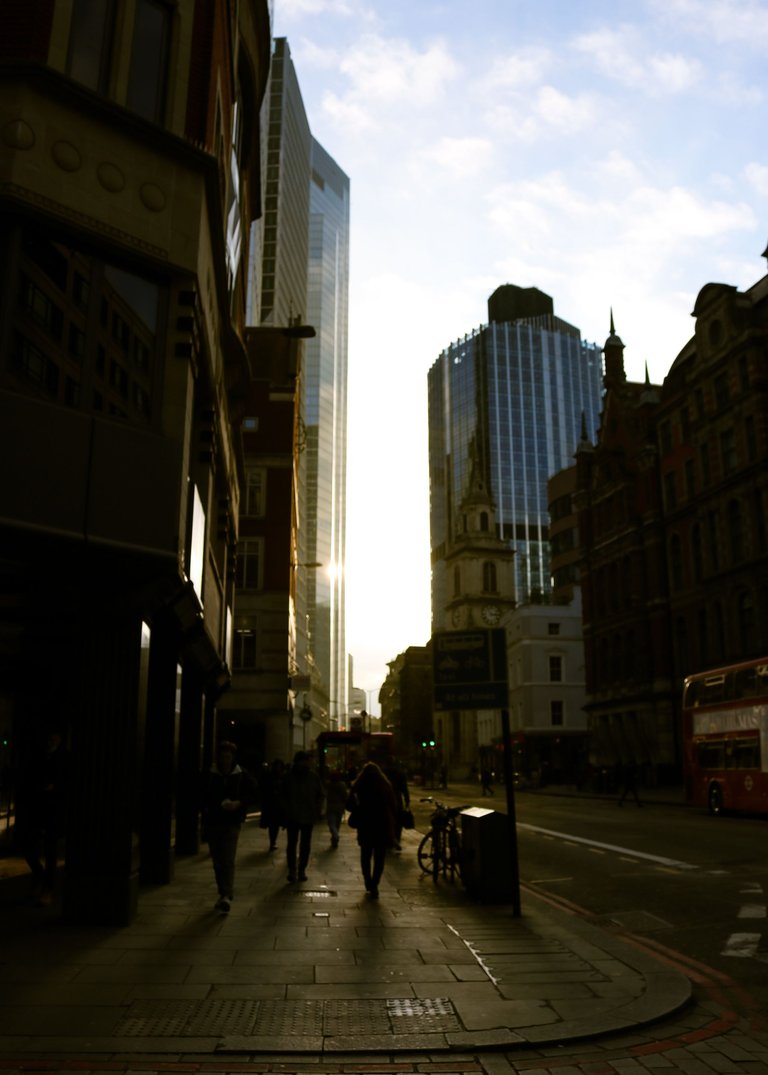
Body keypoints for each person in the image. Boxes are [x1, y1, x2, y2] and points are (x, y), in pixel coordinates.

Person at [16, 728, 69, 905]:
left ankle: (46, 885)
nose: (50, 740)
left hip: (51, 809)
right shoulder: (39, 757)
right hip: (39, 807)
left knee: (49, 849)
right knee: (33, 845)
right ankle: (43, 881)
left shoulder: (60, 759)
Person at [200, 741, 255, 912]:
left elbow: (253, 792)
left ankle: (226, 895)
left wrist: (239, 803)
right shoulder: (209, 775)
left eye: (228, 757)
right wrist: (210, 807)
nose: (225, 760)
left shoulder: (241, 775)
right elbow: (200, 795)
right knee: (218, 861)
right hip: (213, 822)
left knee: (228, 859)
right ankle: (223, 892)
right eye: (223, 756)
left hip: (232, 822)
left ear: (232, 758)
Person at [348, 762, 398, 899]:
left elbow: (350, 804)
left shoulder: (359, 785)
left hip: (365, 824)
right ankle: (375, 883)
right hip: (382, 824)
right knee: (379, 857)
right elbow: (393, 806)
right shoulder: (385, 785)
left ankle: (367, 881)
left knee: (365, 855)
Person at [280, 751, 325, 882]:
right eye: (307, 760)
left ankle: (301, 870)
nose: (309, 762)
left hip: (308, 815)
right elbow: (282, 795)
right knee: (292, 844)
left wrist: (317, 809)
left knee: (305, 845)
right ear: (300, 761)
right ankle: (293, 870)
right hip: (292, 816)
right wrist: (286, 809)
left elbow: (320, 794)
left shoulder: (313, 777)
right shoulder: (288, 777)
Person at [258, 758, 286, 851]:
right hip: (271, 804)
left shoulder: (283, 777)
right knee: (273, 825)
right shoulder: (268, 776)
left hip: (278, 805)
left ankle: (273, 841)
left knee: (275, 825)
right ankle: (272, 842)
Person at [384, 761, 410, 851]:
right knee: (398, 822)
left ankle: (389, 840)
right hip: (396, 799)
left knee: (387, 820)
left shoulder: (383, 773)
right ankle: (396, 839)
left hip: (386, 799)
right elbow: (404, 788)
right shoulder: (400, 774)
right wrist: (407, 800)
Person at [324, 769, 349, 848]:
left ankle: (335, 836)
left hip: (331, 806)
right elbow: (345, 796)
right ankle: (335, 838)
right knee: (337, 824)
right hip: (340, 807)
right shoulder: (342, 785)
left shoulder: (328, 785)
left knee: (332, 823)